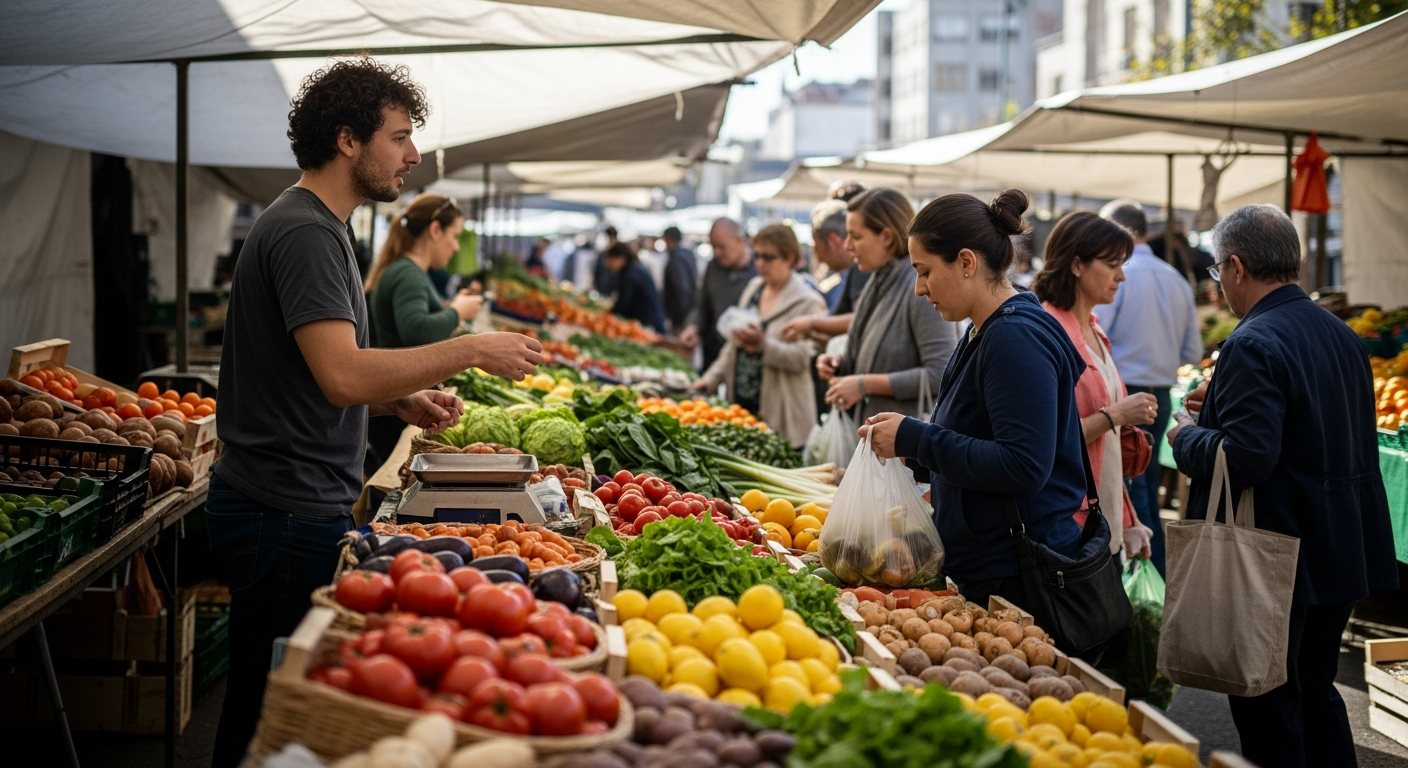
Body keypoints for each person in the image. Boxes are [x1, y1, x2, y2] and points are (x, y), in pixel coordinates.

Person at [207, 58, 543, 768]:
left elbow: (316, 372)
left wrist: (397, 399)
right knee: (269, 712)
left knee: (275, 702)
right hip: (281, 508)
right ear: (347, 140)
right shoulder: (304, 232)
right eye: (400, 136)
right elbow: (339, 374)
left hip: (289, 502)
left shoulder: (320, 227)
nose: (413, 155)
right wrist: (470, 348)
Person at [1166, 205, 1397, 768]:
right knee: (1316, 694)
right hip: (1339, 545)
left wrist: (1188, 435)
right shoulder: (1340, 334)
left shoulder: (1252, 342)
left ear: (1237, 266)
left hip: (1279, 553)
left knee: (1271, 708)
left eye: (1218, 271)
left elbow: (1246, 457)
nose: (1218, 285)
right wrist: (1219, 408)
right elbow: (1306, 428)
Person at [861, 190, 1088, 607]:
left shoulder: (1014, 338)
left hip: (1018, 579)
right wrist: (907, 448)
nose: (918, 288)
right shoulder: (984, 330)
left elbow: (1022, 465)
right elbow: (978, 438)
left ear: (966, 262)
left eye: (925, 271)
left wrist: (916, 439)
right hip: (993, 566)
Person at [1032, 212, 1157, 558]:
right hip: (1067, 522)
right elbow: (1047, 439)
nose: (1121, 276)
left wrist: (1129, 519)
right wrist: (1115, 414)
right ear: (1076, 265)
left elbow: (1108, 446)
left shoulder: (1096, 328)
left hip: (1102, 515)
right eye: (1112, 264)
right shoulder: (1047, 330)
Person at [1094, 200, 1201, 575]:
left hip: (1123, 392)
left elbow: (1096, 332)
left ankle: (1147, 576)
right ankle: (1156, 573)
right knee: (1146, 481)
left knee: (1131, 488)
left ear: (1115, 231)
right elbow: (1192, 350)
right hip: (1161, 389)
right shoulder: (1174, 277)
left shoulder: (1117, 274)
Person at [815, 188, 958, 422]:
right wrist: (841, 364)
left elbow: (941, 372)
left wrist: (864, 384)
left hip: (906, 449)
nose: (848, 246)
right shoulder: (878, 281)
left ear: (887, 237)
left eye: (856, 237)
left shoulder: (918, 289)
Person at [692, 224, 827, 446]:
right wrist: (711, 378)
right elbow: (733, 344)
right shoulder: (754, 289)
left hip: (782, 413)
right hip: (742, 406)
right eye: (757, 256)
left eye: (768, 257)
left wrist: (764, 345)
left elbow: (801, 359)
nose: (760, 264)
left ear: (789, 258)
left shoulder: (808, 302)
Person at [366, 193, 482, 348]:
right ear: (435, 230)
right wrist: (457, 311)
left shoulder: (407, 269)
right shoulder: (408, 274)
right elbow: (416, 331)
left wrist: (444, 312)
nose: (456, 247)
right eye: (455, 236)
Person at [680, 218, 758, 371]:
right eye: (713, 247)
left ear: (739, 240)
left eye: (722, 247)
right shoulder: (713, 266)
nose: (717, 253)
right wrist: (694, 328)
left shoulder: (758, 270)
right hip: (713, 355)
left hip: (744, 360)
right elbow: (703, 307)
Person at [603, 242, 667, 334]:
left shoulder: (630, 274)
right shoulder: (634, 268)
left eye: (610, 260)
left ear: (621, 258)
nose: (608, 265)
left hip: (648, 324)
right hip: (650, 320)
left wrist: (608, 316)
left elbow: (623, 303)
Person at [661, 226, 699, 337]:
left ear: (669, 239)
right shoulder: (688, 254)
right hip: (689, 309)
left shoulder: (676, 259)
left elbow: (681, 288)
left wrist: (678, 318)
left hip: (681, 314)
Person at [593, 225, 620, 296]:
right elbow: (597, 271)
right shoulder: (603, 254)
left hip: (613, 289)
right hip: (601, 288)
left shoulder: (618, 254)